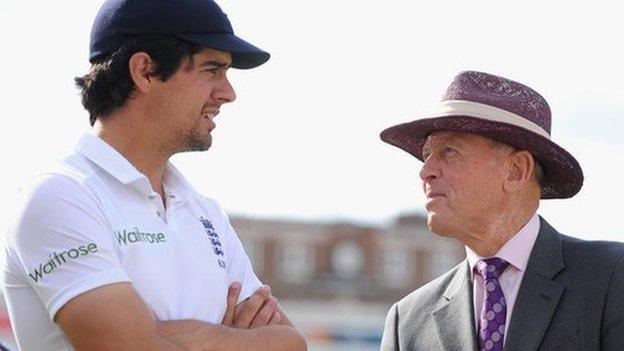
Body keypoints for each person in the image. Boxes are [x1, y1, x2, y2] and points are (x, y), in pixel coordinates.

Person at [1, 0, 306, 350]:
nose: (228, 93)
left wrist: (192, 336)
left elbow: (292, 344)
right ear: (145, 70)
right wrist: (235, 339)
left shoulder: (204, 211)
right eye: (212, 69)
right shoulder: (58, 195)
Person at [378, 71, 624, 351]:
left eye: (448, 151)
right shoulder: (407, 321)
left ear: (517, 170)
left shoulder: (612, 278)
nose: (426, 171)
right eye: (426, 155)